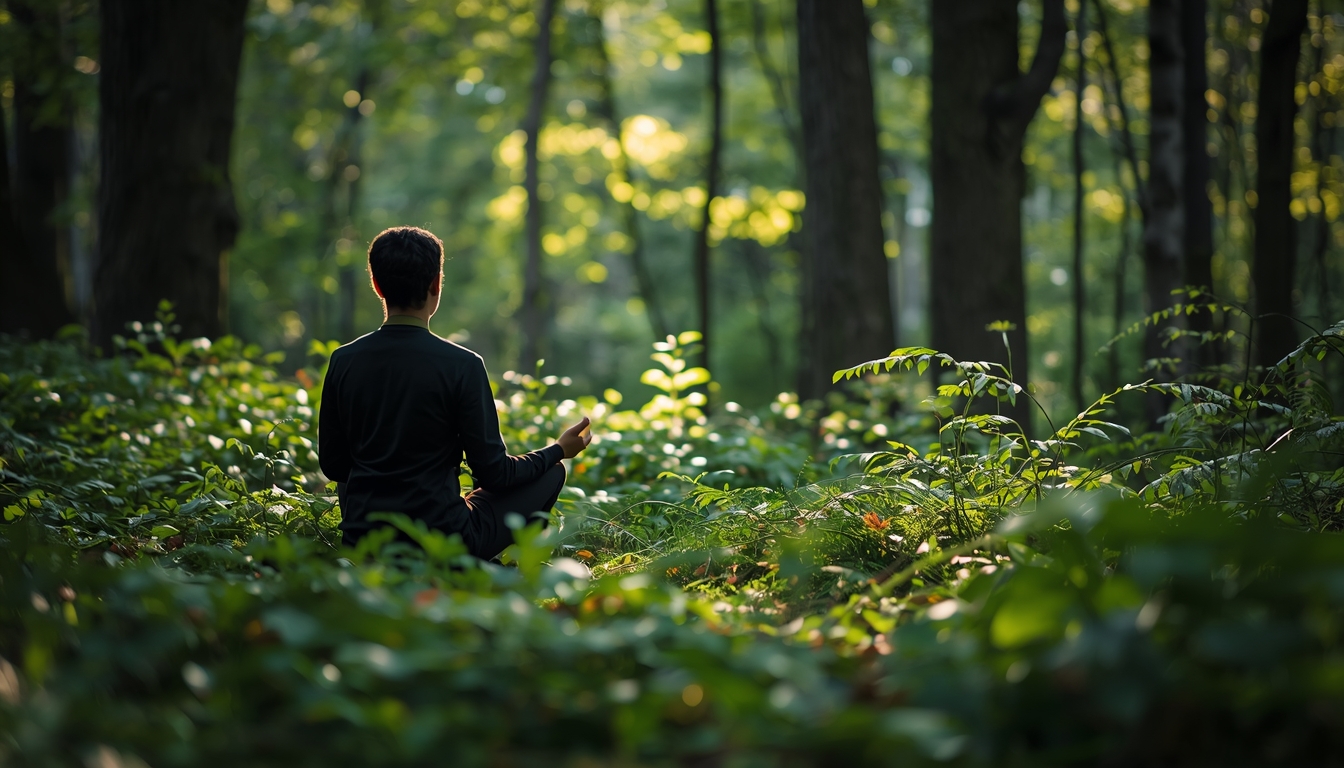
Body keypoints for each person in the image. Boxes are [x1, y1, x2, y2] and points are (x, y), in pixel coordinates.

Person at [318, 225, 592, 559]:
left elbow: (334, 466)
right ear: (436, 284)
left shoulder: (343, 361)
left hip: (364, 543)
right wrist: (558, 450)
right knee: (550, 472)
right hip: (444, 543)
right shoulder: (462, 364)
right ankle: (494, 569)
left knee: (358, 469)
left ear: (377, 286)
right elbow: (495, 475)